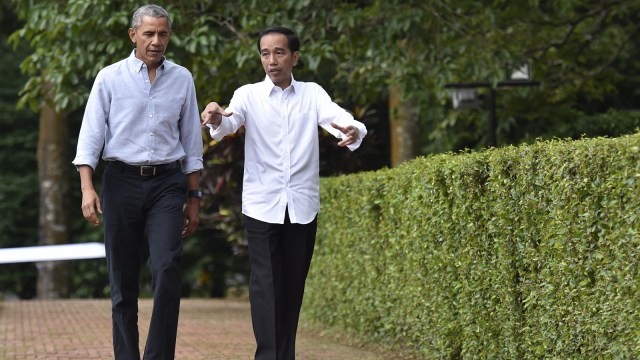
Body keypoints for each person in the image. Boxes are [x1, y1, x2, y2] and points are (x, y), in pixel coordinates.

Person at [201, 26, 367, 360]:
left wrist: (353, 129)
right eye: (265, 53)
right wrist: (216, 117)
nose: (271, 60)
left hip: (302, 206)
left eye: (279, 53)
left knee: (292, 288)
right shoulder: (248, 94)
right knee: (265, 285)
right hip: (262, 206)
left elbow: (338, 119)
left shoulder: (312, 94)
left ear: (294, 57)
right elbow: (227, 125)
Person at [72, 4, 203, 359]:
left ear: (169, 36)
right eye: (149, 33)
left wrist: (194, 197)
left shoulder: (183, 79)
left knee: (166, 270)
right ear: (133, 35)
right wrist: (87, 187)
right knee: (123, 283)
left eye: (162, 34)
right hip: (120, 182)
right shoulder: (109, 77)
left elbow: (192, 142)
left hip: (167, 184)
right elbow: (90, 136)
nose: (156, 41)